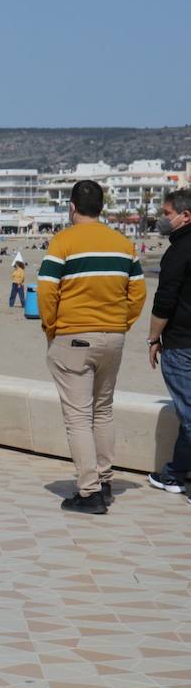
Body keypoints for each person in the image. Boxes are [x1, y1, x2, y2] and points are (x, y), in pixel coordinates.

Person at [39, 180, 146, 514]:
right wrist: (120, 324)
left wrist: (52, 328)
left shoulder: (63, 242)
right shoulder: (123, 243)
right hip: (113, 337)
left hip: (73, 336)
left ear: (72, 206)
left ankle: (89, 492)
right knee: (103, 410)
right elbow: (138, 294)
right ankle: (105, 478)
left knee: (79, 417)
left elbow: (46, 291)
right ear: (102, 207)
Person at [147, 189, 191, 497]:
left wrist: (152, 338)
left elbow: (164, 302)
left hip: (181, 344)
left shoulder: (178, 251)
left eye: (166, 213)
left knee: (189, 412)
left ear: (184, 216)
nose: (162, 219)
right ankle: (174, 473)